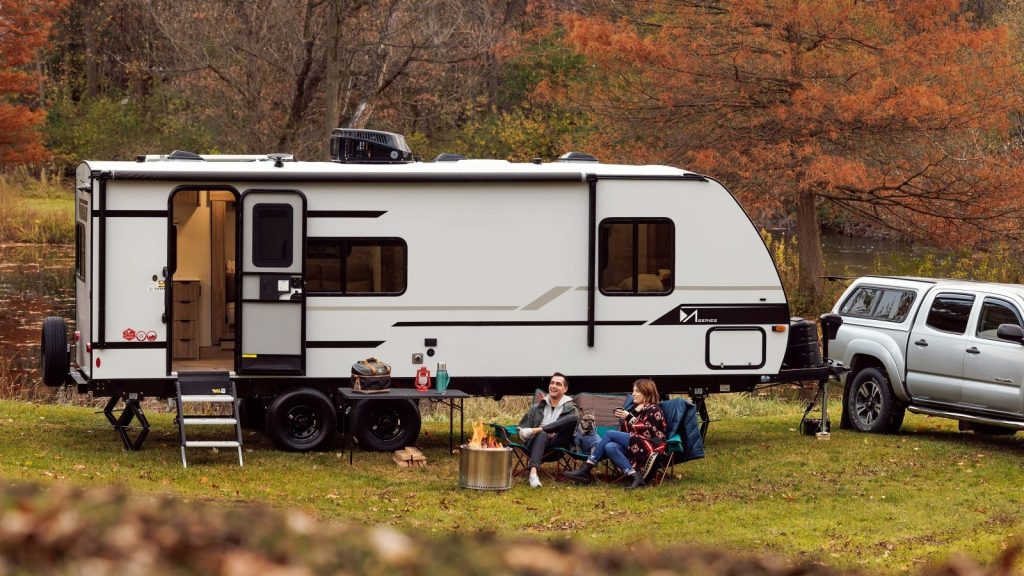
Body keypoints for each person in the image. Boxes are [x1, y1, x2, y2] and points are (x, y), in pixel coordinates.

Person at [564, 378, 666, 489]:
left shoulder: (654, 409)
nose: (633, 394)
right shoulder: (634, 409)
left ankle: (586, 468)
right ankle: (635, 477)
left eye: (637, 391)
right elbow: (627, 432)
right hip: (634, 446)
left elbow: (650, 433)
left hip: (650, 446)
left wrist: (629, 417)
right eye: (633, 391)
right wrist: (631, 415)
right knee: (610, 446)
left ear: (647, 392)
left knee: (610, 433)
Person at [517, 372, 579, 488]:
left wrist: (553, 431)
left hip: (557, 446)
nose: (553, 386)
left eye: (558, 384)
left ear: (565, 389)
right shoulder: (536, 407)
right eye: (552, 383)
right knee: (542, 434)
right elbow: (523, 428)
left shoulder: (571, 408)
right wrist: (539, 432)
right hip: (536, 443)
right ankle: (533, 474)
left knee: (573, 419)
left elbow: (574, 431)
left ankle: (538, 429)